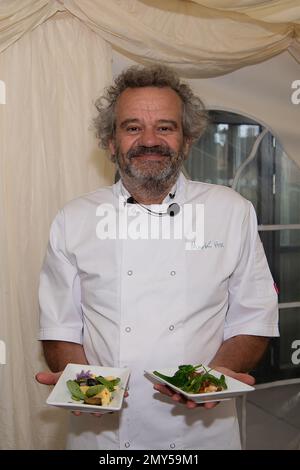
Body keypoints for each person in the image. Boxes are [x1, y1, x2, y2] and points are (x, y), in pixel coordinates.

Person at [36, 64, 279, 450]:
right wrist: (85, 386)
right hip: (104, 432)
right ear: (111, 142)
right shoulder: (74, 218)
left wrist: (215, 375)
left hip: (202, 428)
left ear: (187, 140)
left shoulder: (232, 211)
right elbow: (60, 327)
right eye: (132, 128)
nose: (149, 140)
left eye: (165, 127)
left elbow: (254, 316)